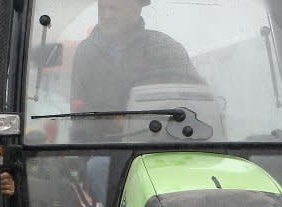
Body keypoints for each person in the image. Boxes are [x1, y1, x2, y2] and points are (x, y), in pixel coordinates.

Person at [70, 0, 202, 139]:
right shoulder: (86, 53)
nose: (106, 15)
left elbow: (196, 99)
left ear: (136, 11)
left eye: (113, 8)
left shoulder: (166, 49)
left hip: (159, 142)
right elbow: (78, 112)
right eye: (101, 8)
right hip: (103, 147)